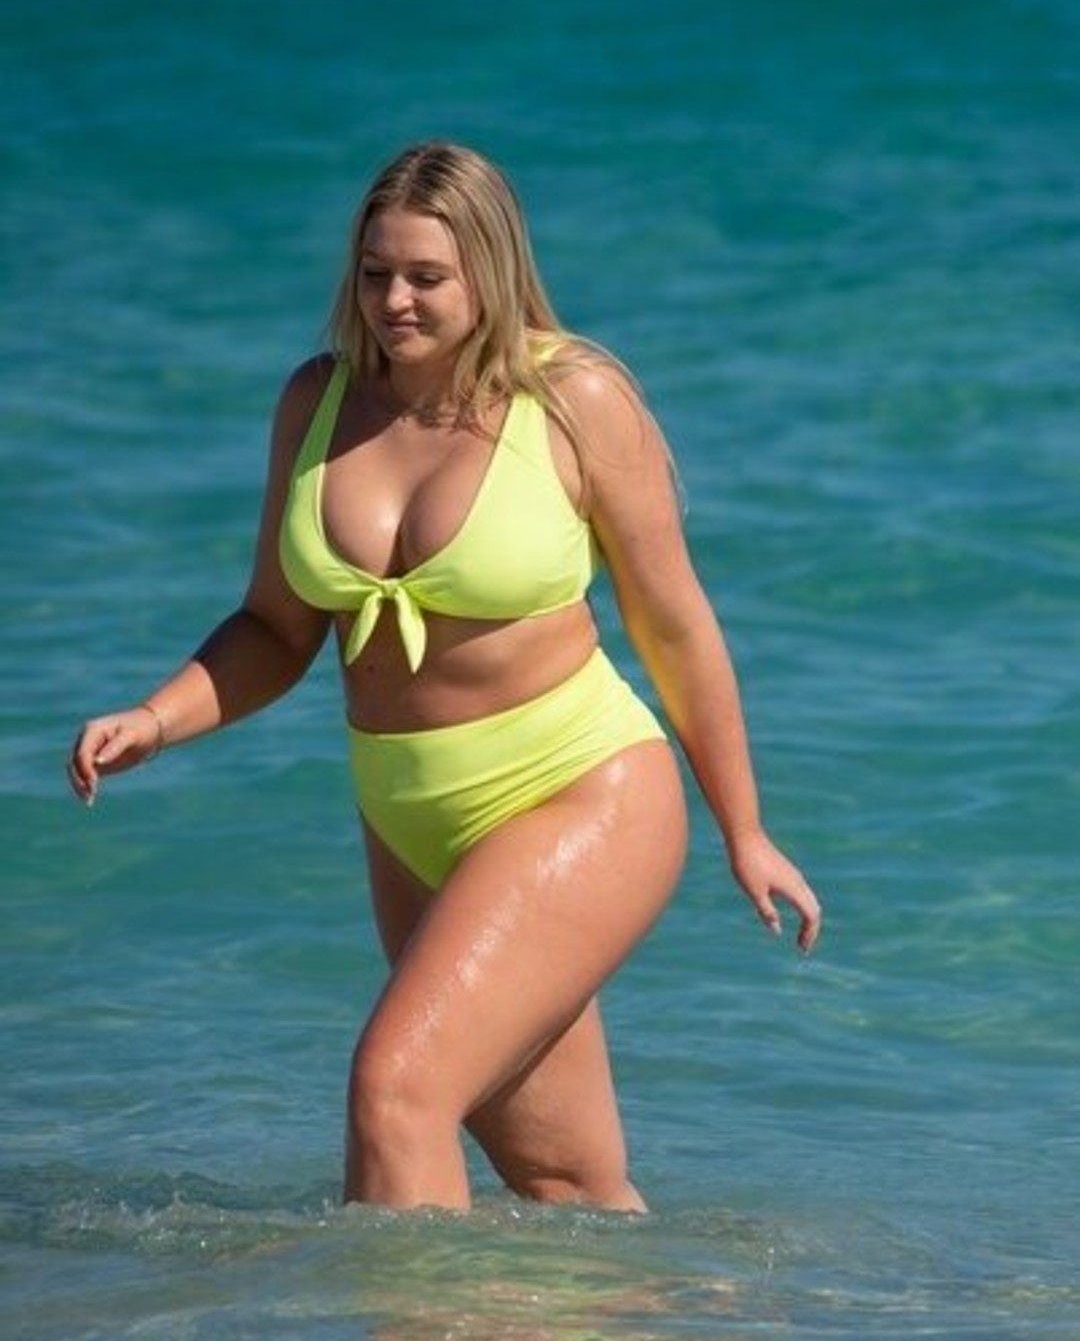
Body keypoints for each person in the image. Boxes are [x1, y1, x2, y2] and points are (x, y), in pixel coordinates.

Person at [68, 141, 821, 1213]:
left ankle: (408, 1331)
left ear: (491, 272)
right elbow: (276, 627)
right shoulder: (317, 402)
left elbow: (675, 626)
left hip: (581, 791)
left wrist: (745, 828)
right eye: (376, 273)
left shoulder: (576, 400)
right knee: (565, 1184)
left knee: (397, 1092)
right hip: (407, 814)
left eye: (426, 277)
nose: (394, 302)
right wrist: (158, 716)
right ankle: (671, 1328)